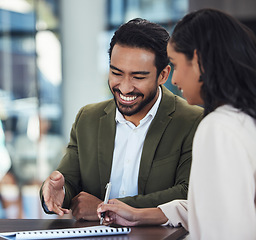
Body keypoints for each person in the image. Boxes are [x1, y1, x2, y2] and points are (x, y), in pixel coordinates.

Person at [97, 8, 256, 239]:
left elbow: (226, 230)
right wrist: (139, 214)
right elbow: (212, 207)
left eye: (177, 65)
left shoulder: (217, 127)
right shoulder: (243, 119)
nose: (175, 79)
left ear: (199, 62)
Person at [40, 18, 203, 221]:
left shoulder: (192, 121)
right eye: (116, 73)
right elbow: (69, 180)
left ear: (163, 75)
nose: (125, 88)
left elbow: (189, 193)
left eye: (138, 77)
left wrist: (104, 208)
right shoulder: (88, 118)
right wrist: (58, 192)